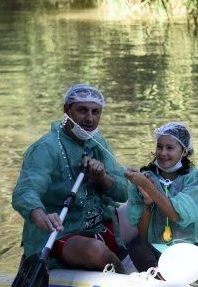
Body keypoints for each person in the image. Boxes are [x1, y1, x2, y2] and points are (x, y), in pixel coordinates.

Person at [12, 83, 130, 272]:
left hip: (98, 223)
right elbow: (25, 191)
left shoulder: (98, 142)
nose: (89, 119)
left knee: (144, 215)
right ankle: (127, 284)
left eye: (95, 112)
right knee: (98, 252)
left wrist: (102, 177)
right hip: (61, 233)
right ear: (66, 110)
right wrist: (39, 214)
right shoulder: (46, 148)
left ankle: (156, 276)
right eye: (82, 110)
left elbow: (123, 193)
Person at [124, 122, 198, 272]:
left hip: (192, 250)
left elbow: (175, 214)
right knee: (136, 245)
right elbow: (144, 235)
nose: (163, 153)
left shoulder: (195, 179)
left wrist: (149, 187)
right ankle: (159, 282)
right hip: (158, 250)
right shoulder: (146, 177)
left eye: (170, 148)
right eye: (159, 146)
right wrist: (148, 202)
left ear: (184, 151)